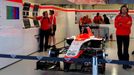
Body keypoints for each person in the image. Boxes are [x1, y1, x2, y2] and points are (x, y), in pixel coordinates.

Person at [114, 5, 132, 69]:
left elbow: (129, 25)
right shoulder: (117, 17)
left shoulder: (129, 17)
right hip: (119, 35)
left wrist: (121, 24)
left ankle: (126, 63)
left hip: (126, 35)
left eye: (125, 9)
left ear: (127, 10)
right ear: (121, 10)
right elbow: (116, 25)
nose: (124, 10)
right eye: (123, 9)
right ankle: (120, 60)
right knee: (119, 48)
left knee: (126, 49)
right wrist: (124, 24)